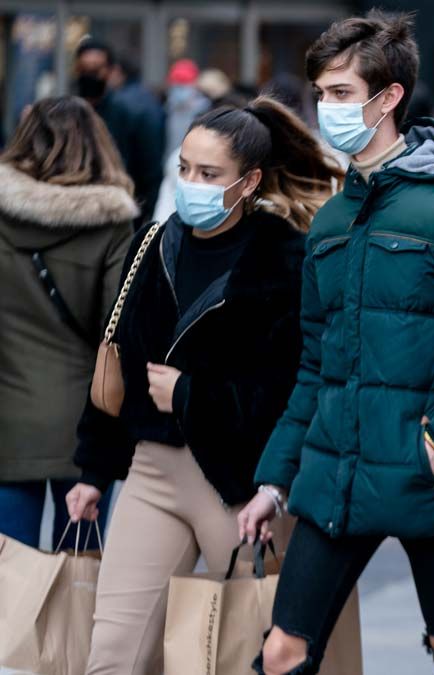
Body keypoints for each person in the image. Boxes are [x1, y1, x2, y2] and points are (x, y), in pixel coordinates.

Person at [239, 12, 434, 675]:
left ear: (390, 98)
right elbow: (316, 363)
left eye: (344, 93)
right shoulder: (332, 218)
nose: (328, 109)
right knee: (281, 650)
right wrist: (275, 477)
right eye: (322, 93)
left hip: (427, 477)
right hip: (334, 474)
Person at [64, 96, 342, 674]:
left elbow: (291, 388)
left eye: (209, 174)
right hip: (151, 469)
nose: (192, 183)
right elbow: (117, 355)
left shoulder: (284, 258)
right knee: (112, 653)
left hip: (238, 483)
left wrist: (191, 394)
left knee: (243, 652)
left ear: (250, 182)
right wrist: (94, 471)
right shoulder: (154, 242)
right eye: (184, 169)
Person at [0, 97, 137, 548]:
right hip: (85, 427)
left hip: (8, 423)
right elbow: (115, 330)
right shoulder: (112, 224)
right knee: (77, 576)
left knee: (6, 576)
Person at [75, 40, 164, 219]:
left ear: (109, 71)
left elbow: (149, 173)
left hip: (118, 215)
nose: (90, 75)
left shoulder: (128, 114)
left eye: (96, 69)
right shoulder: (67, 113)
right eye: (85, 68)